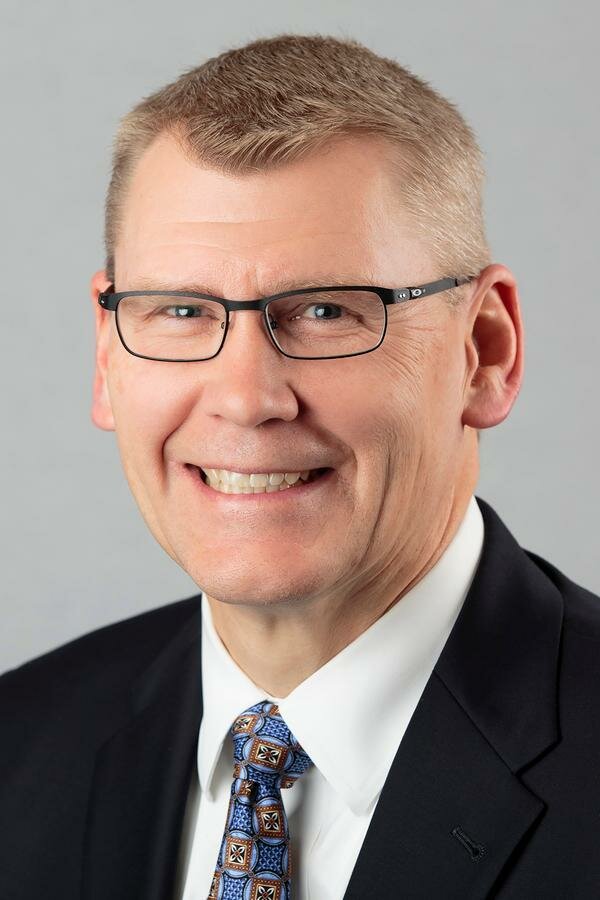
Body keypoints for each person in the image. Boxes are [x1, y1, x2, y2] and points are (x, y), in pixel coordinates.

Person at [1, 32, 599, 900]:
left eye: (325, 311)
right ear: (106, 356)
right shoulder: (20, 749)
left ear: (484, 351)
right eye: (181, 311)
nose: (247, 398)